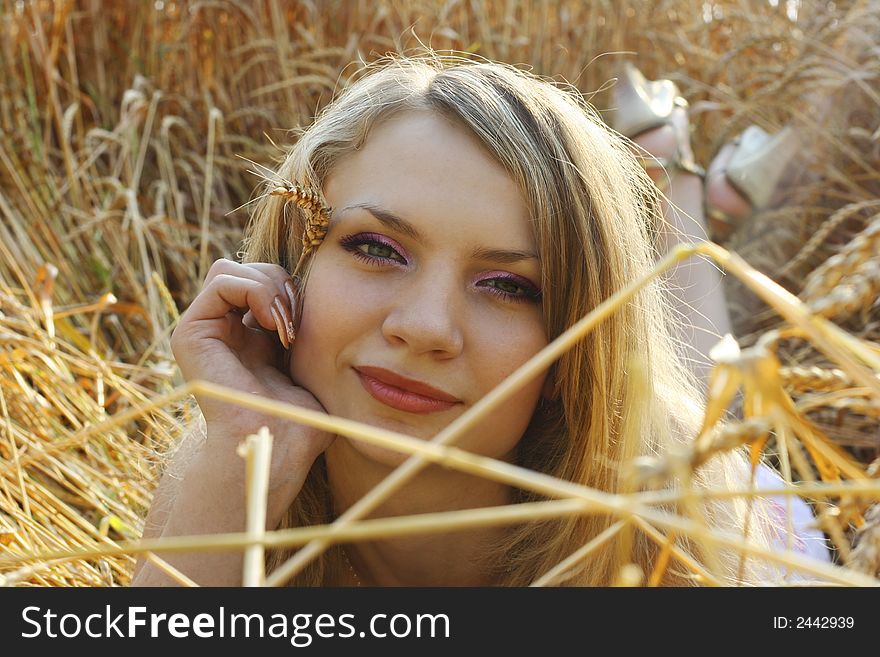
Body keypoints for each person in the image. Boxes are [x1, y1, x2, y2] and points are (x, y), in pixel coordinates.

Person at [132, 53, 824, 587]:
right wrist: (239, 460)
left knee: (707, 402)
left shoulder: (686, 560)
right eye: (376, 247)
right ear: (291, 263)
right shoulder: (221, 475)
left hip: (709, 490)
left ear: (574, 349)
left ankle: (675, 173)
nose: (428, 326)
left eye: (508, 285)